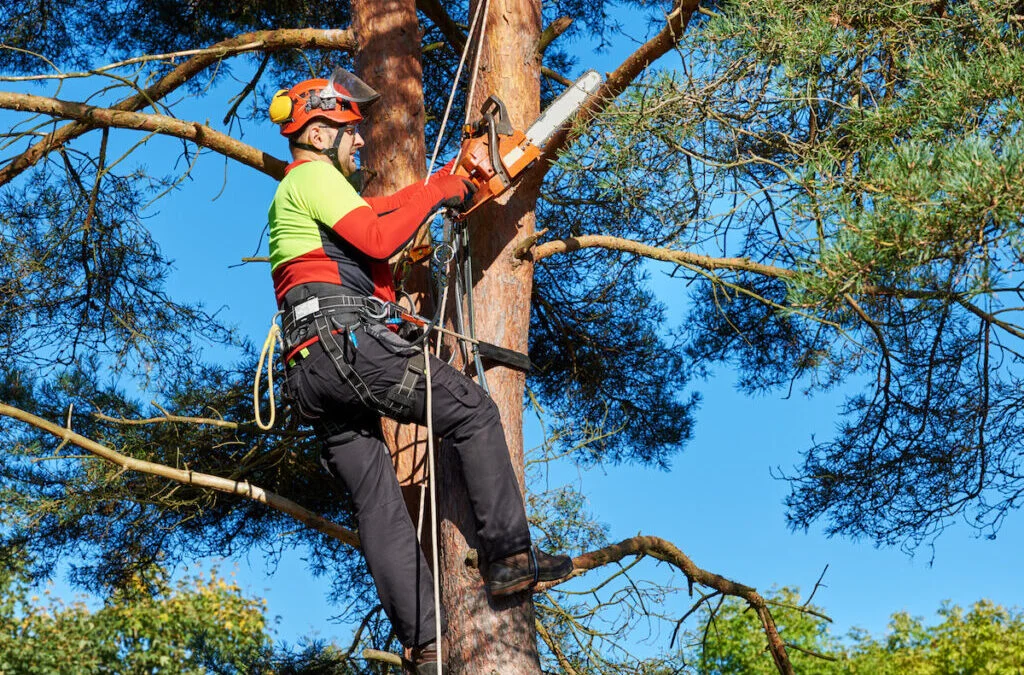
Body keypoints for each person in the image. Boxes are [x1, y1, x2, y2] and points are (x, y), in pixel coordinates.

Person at [266, 69, 573, 673]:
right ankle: (508, 557)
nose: (360, 143)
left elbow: (380, 213)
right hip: (343, 346)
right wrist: (439, 192)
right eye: (351, 132)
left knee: (378, 502)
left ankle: (426, 645)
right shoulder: (313, 178)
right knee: (472, 410)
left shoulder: (308, 198)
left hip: (311, 370)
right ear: (321, 131)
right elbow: (379, 237)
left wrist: (447, 182)